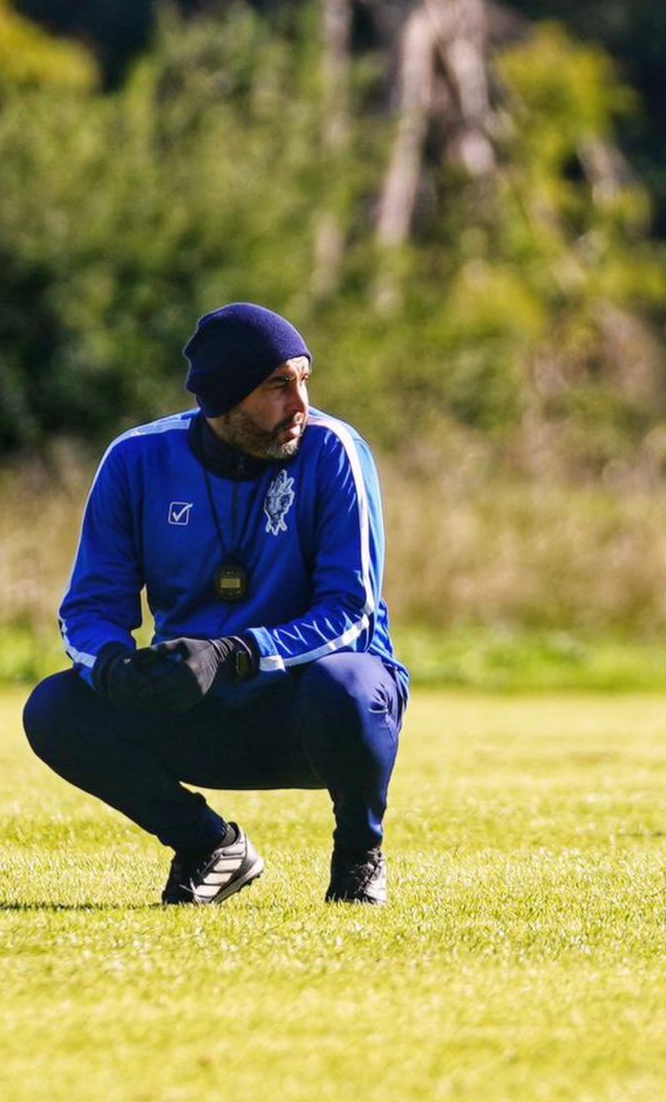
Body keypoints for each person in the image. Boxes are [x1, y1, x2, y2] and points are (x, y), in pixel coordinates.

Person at [23, 303, 409, 906]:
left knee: (351, 686)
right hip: (199, 706)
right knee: (55, 708)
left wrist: (234, 651)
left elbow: (349, 612)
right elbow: (91, 608)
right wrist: (116, 667)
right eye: (278, 386)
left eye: (304, 380)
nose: (300, 404)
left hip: (311, 709)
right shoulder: (135, 460)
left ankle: (360, 859)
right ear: (224, 398)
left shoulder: (335, 451)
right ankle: (208, 846)